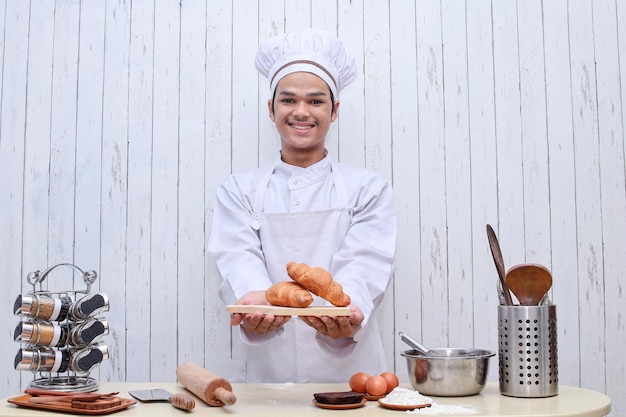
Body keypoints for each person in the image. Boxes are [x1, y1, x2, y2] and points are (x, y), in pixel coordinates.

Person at [208, 29, 397, 383]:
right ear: (271, 108)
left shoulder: (368, 189)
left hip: (352, 370)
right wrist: (256, 300)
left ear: (334, 109)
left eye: (315, 101)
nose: (301, 112)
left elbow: (365, 263)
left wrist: (346, 313)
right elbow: (237, 255)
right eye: (288, 100)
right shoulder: (238, 190)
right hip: (267, 370)